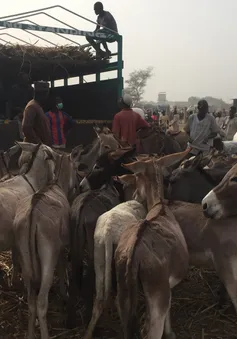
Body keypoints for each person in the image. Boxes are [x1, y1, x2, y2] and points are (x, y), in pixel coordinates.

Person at [22, 81, 52, 146]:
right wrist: (39, 144)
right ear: (41, 94)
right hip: (34, 150)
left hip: (39, 149)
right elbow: (26, 128)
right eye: (46, 93)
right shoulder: (32, 106)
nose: (47, 96)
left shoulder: (38, 106)